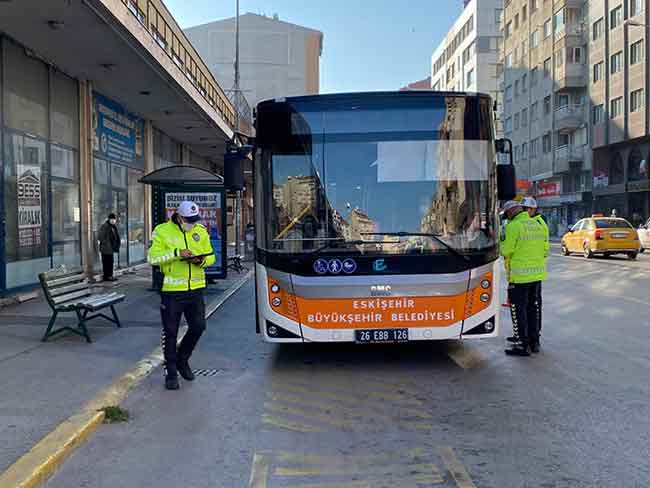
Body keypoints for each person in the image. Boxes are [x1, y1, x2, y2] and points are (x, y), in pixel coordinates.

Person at [148, 201, 215, 390]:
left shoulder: (200, 231)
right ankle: (170, 372)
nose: (192, 224)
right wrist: (177, 253)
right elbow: (153, 258)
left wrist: (200, 260)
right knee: (170, 332)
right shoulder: (162, 231)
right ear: (179, 216)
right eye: (189, 220)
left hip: (195, 289)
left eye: (195, 220)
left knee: (199, 326)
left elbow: (211, 257)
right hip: (172, 291)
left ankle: (182, 359)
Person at [500, 200, 548, 356]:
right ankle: (534, 342)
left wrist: (499, 242)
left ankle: (521, 344)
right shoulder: (537, 224)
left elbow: (506, 251)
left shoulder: (514, 226)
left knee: (518, 309)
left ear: (511, 212)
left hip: (519, 277)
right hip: (537, 274)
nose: (506, 217)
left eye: (506, 214)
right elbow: (544, 248)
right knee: (532, 308)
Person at [98, 213, 120, 282]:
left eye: (114, 219)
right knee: (106, 263)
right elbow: (100, 237)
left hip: (110, 248)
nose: (113, 220)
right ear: (109, 219)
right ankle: (107, 277)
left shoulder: (113, 227)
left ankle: (110, 276)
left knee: (110, 262)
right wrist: (106, 243)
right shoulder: (105, 226)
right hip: (105, 248)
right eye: (112, 219)